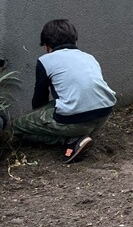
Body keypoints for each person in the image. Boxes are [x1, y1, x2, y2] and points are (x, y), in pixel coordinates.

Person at [10, 19, 116, 163]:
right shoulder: (89, 57)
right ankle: (80, 134)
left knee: (16, 127)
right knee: (60, 103)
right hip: (104, 114)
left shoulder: (46, 60)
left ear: (47, 46)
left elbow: (40, 95)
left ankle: (69, 139)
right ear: (76, 41)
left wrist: (37, 117)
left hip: (74, 120)